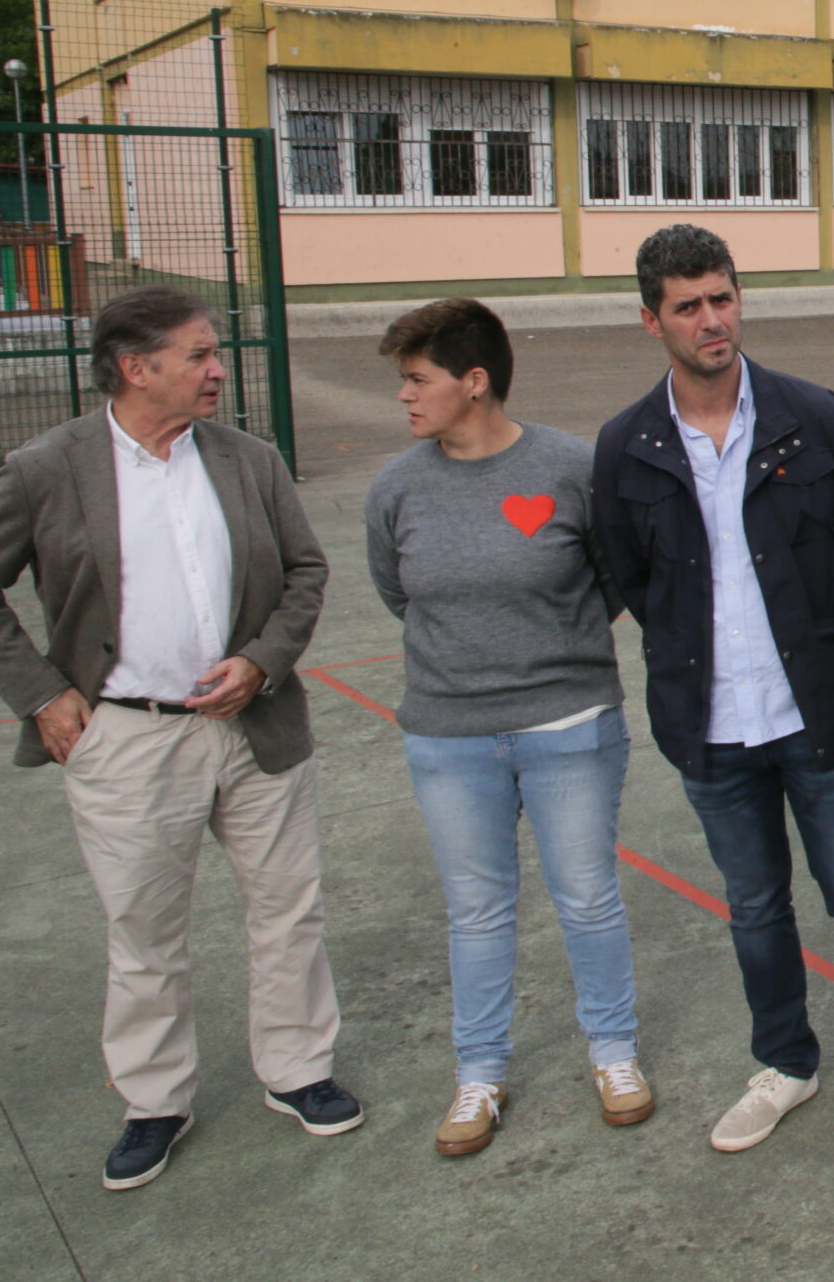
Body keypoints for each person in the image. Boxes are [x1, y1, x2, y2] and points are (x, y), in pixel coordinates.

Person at [0, 285, 351, 1190]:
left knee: (290, 907)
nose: (218, 370)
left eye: (215, 354)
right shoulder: (48, 466)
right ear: (137, 368)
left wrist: (261, 661)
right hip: (127, 740)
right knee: (144, 930)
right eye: (200, 355)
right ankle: (154, 1101)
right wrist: (43, 694)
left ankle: (298, 1070)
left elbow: (305, 570)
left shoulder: (249, 458)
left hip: (256, 726)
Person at [589, 225, 834, 1155]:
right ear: (650, 318)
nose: (712, 320)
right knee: (755, 906)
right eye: (689, 305)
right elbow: (628, 577)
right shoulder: (626, 446)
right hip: (709, 727)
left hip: (818, 711)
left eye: (723, 297)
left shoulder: (810, 415)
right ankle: (785, 1060)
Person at [365, 298, 651, 1155]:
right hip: (448, 736)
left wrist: (552, 650)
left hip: (568, 723)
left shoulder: (572, 466)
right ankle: (478, 1073)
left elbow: (614, 577)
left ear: (474, 381)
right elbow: (397, 591)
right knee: (478, 911)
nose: (406, 397)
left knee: (587, 895)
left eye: (418, 379)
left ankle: (614, 1051)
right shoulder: (397, 487)